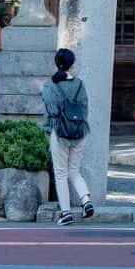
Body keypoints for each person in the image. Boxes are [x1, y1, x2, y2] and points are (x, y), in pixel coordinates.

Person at [40, 47, 95, 226]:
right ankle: (86, 200)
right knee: (74, 170)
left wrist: (49, 129)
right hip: (80, 131)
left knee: (61, 173)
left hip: (59, 132)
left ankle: (66, 213)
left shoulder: (49, 85)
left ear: (57, 63)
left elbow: (50, 112)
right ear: (72, 64)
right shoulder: (80, 84)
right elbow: (85, 109)